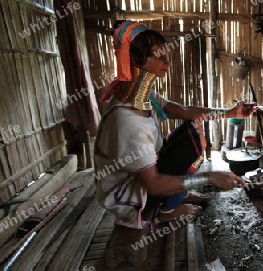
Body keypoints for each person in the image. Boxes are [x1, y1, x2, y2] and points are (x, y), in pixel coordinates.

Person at [94, 20, 252, 266]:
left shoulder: (143, 96)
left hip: (144, 173)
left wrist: (231, 112)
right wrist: (209, 177)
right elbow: (154, 184)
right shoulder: (127, 121)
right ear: (137, 60)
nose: (167, 62)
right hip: (129, 194)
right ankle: (167, 211)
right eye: (159, 56)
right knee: (190, 148)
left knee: (192, 136)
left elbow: (185, 110)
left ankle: (176, 197)